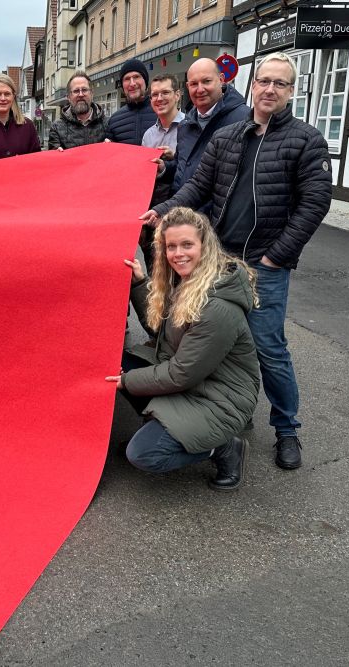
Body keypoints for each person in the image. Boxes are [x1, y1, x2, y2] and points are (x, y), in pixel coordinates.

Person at [141, 52, 333, 470]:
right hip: (222, 261)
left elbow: (315, 203)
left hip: (266, 265)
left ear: (291, 91)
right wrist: (163, 211)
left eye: (279, 83)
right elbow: (197, 186)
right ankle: (233, 413)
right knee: (215, 341)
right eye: (263, 81)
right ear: (251, 86)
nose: (269, 89)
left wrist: (277, 256)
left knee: (268, 346)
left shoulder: (306, 139)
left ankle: (287, 429)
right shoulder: (228, 137)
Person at [107, 208, 259, 489]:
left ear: (205, 245)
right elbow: (162, 329)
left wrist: (126, 381)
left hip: (220, 398)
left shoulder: (217, 306)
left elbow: (181, 375)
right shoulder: (189, 280)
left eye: (187, 244)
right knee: (115, 365)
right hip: (196, 383)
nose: (178, 253)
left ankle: (225, 448)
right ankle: (162, 428)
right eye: (171, 246)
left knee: (143, 454)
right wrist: (140, 282)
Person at [170, 58, 249, 196]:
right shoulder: (184, 125)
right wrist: (164, 168)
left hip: (217, 215)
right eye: (194, 84)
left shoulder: (244, 120)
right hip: (183, 211)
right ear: (188, 86)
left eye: (206, 81)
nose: (200, 89)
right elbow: (181, 166)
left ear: (221, 79)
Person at [140, 74, 184, 269]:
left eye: (165, 92)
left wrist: (174, 158)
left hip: (181, 215)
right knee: (155, 272)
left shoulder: (191, 128)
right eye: (154, 94)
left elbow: (195, 171)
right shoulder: (148, 135)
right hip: (154, 216)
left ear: (177, 95)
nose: (159, 98)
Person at [46, 71, 108, 150]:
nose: (81, 94)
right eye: (76, 91)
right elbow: (53, 159)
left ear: (92, 94)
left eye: (84, 90)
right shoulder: (57, 128)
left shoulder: (107, 124)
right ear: (68, 97)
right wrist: (56, 154)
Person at [105, 58, 157, 146]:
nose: (132, 83)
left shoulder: (161, 114)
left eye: (136, 77)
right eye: (127, 79)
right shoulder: (114, 121)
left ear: (145, 82)